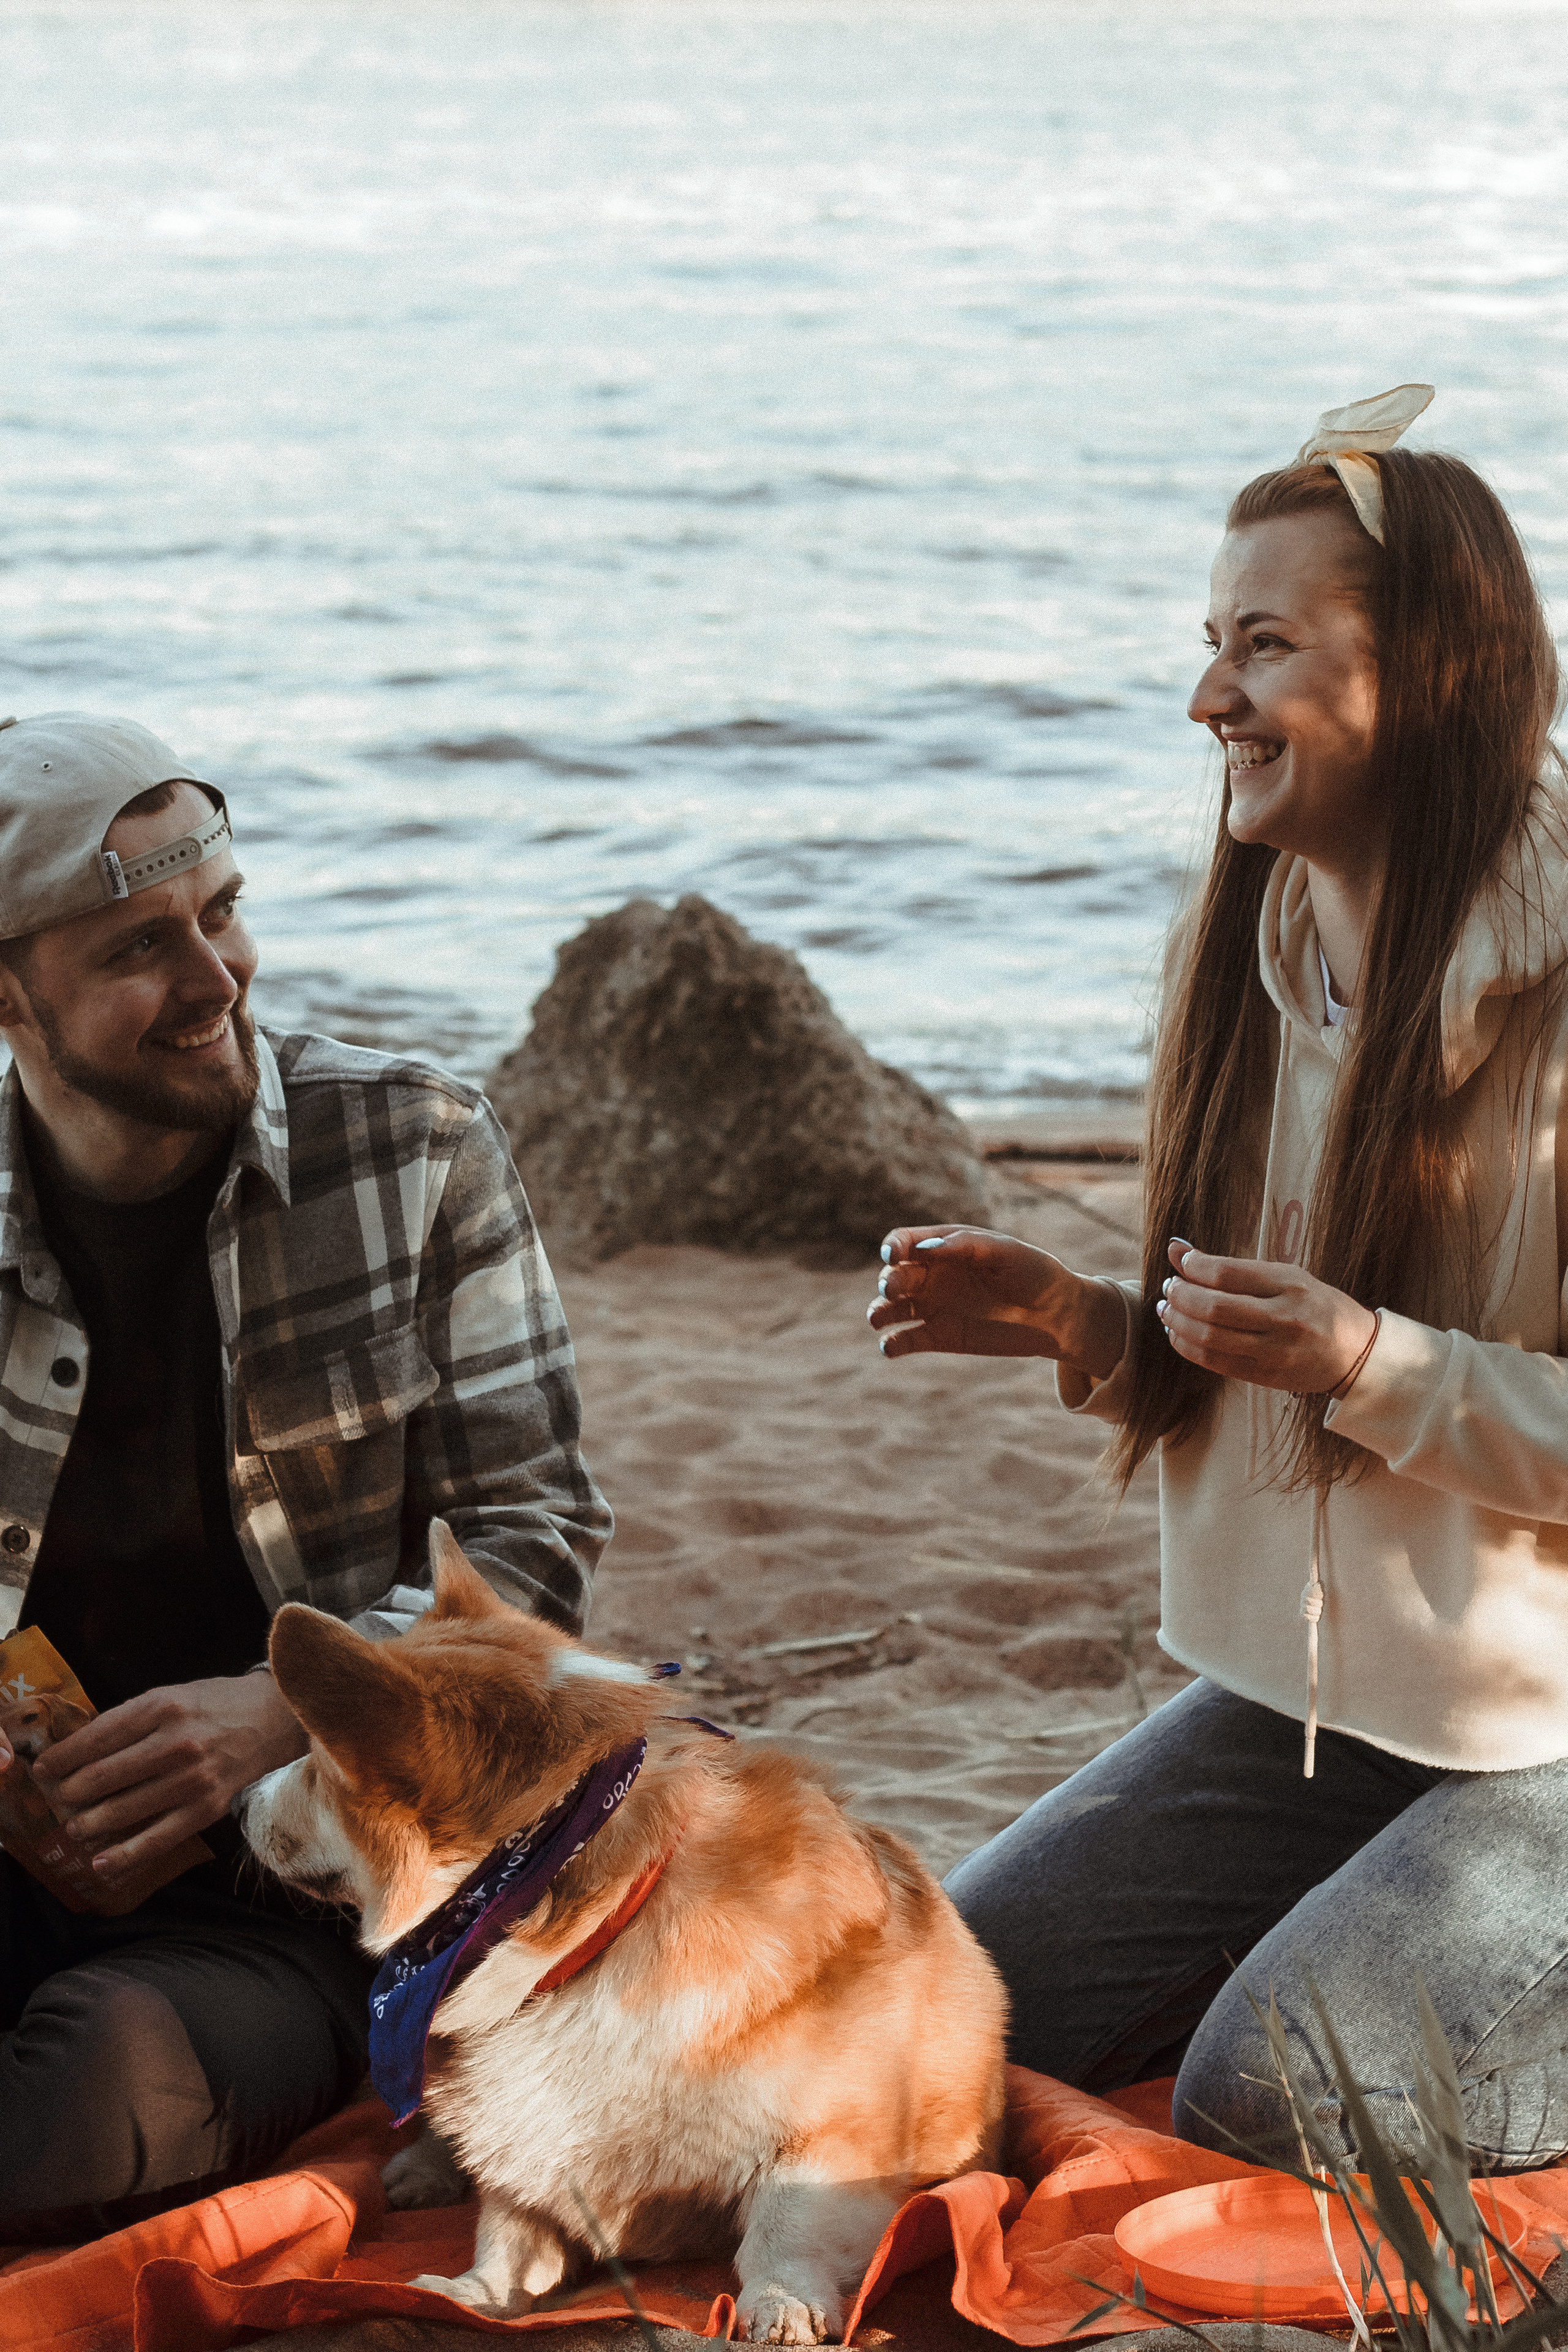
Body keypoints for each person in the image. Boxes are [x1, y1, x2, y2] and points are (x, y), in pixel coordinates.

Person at [870, 388, 1568, 2174]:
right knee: (946, 2010)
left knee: (1271, 2093)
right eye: (1211, 645)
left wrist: (1375, 1363)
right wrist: (1093, 1334)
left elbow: (1383, 1380)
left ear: (1431, 673)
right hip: (1333, 1709)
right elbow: (1290, 1387)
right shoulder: (1252, 954)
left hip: (1548, 1729)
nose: (1207, 703)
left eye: (1266, 647)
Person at [0, 712, 611, 2239]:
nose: (215, 980)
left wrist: (282, 1707)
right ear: (10, 993)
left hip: (310, 1888)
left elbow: (535, 1548)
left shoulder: (414, 1150)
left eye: (221, 912)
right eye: (142, 946)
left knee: (95, 2101)